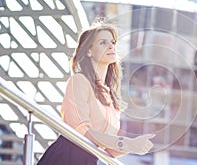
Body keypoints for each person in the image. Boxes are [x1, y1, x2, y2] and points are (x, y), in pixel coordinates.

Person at [37, 20, 155, 165]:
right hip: (66, 156)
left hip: (88, 159)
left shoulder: (110, 96)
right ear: (89, 51)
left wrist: (135, 146)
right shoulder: (79, 81)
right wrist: (126, 143)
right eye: (103, 42)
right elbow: (81, 130)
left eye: (112, 42)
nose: (111, 46)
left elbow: (108, 148)